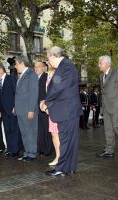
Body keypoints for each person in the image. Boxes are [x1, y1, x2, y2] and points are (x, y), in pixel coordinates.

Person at [40, 46, 82, 176]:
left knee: (65, 141)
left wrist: (46, 102)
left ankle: (62, 169)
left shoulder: (66, 67)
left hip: (67, 111)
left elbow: (58, 87)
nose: (48, 61)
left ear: (53, 56)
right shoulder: (65, 66)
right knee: (69, 141)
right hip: (66, 110)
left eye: (48, 58)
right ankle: (69, 167)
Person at [97, 55, 118, 159]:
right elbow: (104, 93)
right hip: (106, 107)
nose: (99, 65)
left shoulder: (117, 73)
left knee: (117, 127)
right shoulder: (101, 76)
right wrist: (102, 108)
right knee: (108, 129)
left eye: (100, 63)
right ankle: (109, 150)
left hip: (116, 106)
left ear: (108, 64)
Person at [14, 56, 39, 161]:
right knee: (24, 133)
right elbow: (19, 94)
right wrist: (15, 107)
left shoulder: (31, 74)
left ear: (22, 63)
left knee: (30, 132)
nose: (15, 66)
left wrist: (31, 110)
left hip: (28, 110)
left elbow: (34, 93)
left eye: (16, 64)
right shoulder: (21, 75)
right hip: (20, 110)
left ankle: (32, 154)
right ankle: (27, 152)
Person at [34, 61, 53, 157]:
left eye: (38, 66)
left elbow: (49, 92)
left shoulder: (46, 77)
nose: (36, 68)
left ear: (43, 68)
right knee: (39, 130)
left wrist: (45, 103)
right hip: (36, 108)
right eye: (35, 67)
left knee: (47, 129)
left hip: (45, 107)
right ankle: (40, 148)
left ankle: (48, 150)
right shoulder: (34, 78)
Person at [45, 61, 60, 166]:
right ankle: (58, 156)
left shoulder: (57, 75)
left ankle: (61, 156)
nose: (46, 62)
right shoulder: (49, 74)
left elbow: (57, 92)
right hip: (51, 108)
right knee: (54, 133)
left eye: (48, 61)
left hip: (57, 108)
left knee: (58, 133)